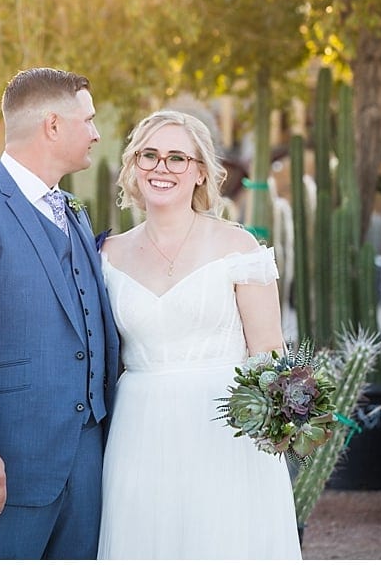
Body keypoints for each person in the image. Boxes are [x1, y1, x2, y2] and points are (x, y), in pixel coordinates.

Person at [0, 67, 121, 560]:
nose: (96, 133)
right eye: (88, 120)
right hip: (3, 460)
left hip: (85, 456)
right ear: (53, 125)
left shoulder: (72, 210)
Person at [96, 110, 303, 559]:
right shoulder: (107, 256)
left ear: (200, 172)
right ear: (133, 166)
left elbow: (268, 350)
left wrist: (278, 425)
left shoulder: (239, 248)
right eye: (149, 155)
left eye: (176, 158)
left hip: (225, 432)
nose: (161, 168)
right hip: (139, 430)